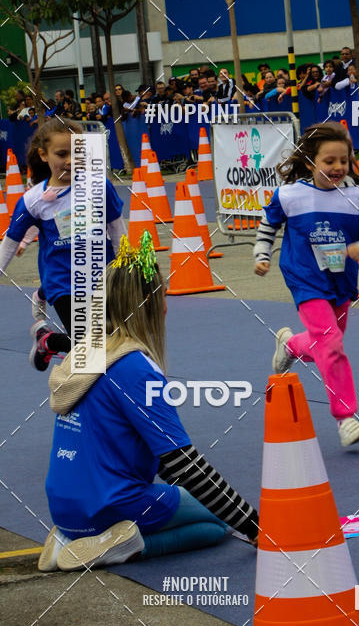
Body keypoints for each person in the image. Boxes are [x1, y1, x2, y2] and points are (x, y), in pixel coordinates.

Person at [38, 232, 259, 572]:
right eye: (163, 296)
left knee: (213, 519)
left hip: (63, 506)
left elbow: (165, 461)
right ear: (147, 302)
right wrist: (254, 524)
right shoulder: (135, 368)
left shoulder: (84, 354)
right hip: (108, 504)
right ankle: (125, 544)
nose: (167, 306)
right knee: (219, 523)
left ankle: (71, 539)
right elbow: (183, 464)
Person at [253, 122, 359, 448]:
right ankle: (346, 418)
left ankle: (291, 345)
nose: (338, 167)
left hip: (341, 280)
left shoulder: (357, 197)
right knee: (331, 344)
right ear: (310, 161)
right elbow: (268, 225)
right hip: (304, 277)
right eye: (329, 161)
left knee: (325, 344)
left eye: (344, 160)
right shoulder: (289, 195)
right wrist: (261, 254)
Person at [0, 118, 125, 371]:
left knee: (108, 344)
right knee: (90, 348)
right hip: (63, 282)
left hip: (103, 275)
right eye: (61, 154)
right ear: (43, 155)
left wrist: (127, 268)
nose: (70, 160)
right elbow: (11, 239)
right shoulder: (33, 200)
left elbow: (117, 228)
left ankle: (48, 341)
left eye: (77, 152)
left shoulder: (100, 187)